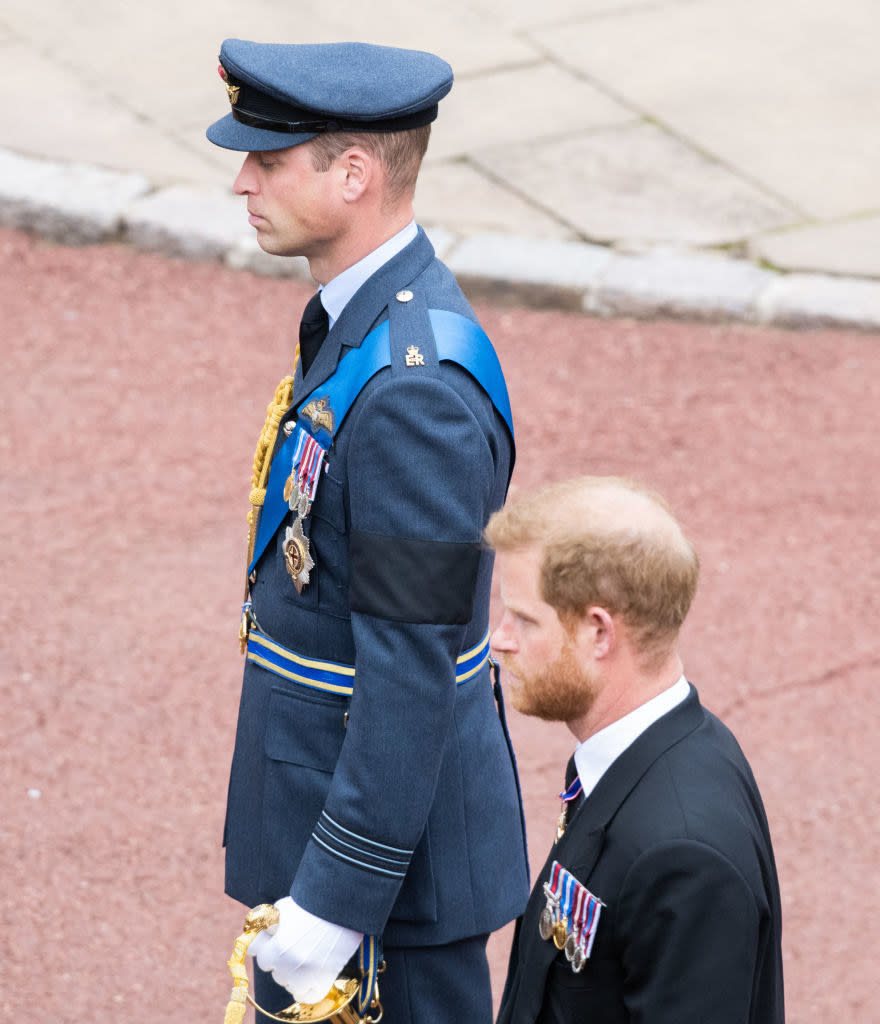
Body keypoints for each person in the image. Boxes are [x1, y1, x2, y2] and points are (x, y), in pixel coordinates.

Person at [205, 39, 529, 1024]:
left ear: (353, 175)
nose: (240, 181)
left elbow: (410, 666)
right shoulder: (362, 323)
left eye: (268, 160)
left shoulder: (411, 391)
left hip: (390, 885)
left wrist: (334, 902)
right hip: (349, 833)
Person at [487, 476, 784, 1024]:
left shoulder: (683, 854)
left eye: (524, 619)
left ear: (600, 632)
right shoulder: (648, 751)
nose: (499, 639)